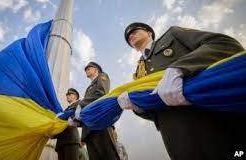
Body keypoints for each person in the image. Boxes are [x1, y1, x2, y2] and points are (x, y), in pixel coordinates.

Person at [119, 22, 245, 160]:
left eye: (135, 30)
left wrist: (180, 67)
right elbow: (155, 114)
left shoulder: (172, 35)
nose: (130, 35)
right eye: (128, 37)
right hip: (178, 142)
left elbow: (224, 44)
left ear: (149, 33)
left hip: (214, 124)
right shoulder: (138, 74)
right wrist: (139, 108)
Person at [75, 61, 120, 160]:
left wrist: (81, 104)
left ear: (96, 69)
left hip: (101, 123)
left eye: (88, 68)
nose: (86, 70)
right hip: (89, 129)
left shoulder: (102, 77)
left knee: (108, 155)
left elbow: (101, 94)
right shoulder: (88, 89)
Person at [55, 88, 81, 160]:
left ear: (75, 96)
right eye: (67, 95)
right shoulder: (65, 110)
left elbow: (73, 114)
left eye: (69, 94)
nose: (67, 96)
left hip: (71, 139)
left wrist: (60, 117)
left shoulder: (78, 103)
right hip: (61, 141)